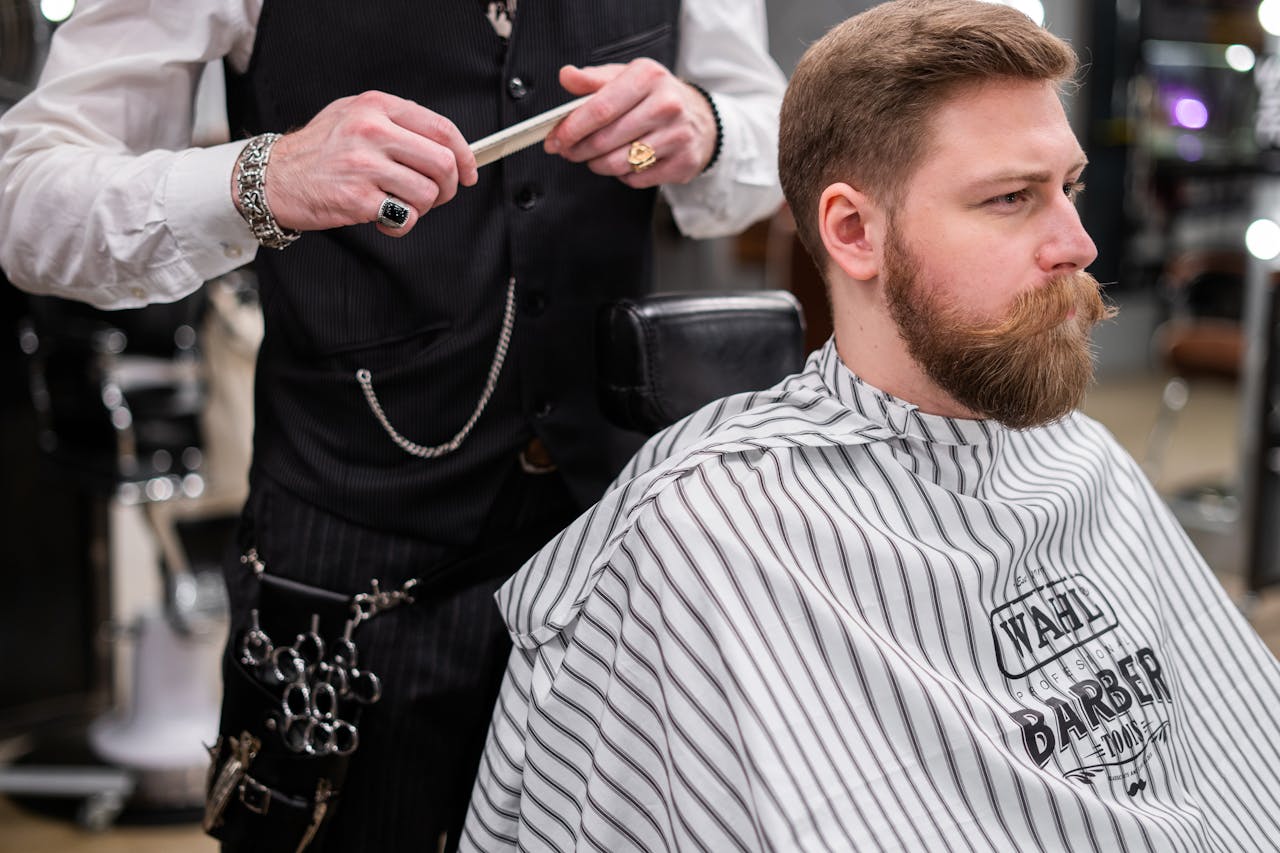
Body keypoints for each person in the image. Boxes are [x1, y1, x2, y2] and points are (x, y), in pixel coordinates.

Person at [461, 1, 1280, 850]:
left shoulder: (1086, 462)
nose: (1078, 244)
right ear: (854, 232)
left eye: (1067, 189)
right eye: (1010, 197)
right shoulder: (704, 529)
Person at [0, 1, 785, 850]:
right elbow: (28, 197)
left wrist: (705, 129)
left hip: (617, 558)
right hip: (348, 570)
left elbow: (767, 133)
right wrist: (262, 177)